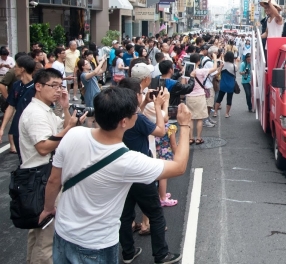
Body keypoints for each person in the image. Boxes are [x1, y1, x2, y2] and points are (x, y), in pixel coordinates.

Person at [38, 87, 189, 264]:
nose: (137, 114)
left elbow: (54, 180)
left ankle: (129, 252)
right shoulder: (128, 161)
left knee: (126, 215)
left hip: (62, 233)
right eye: (135, 112)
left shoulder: (73, 134)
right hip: (96, 245)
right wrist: (184, 125)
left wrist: (48, 209)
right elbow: (179, 167)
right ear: (124, 121)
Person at [19, 69, 83, 264]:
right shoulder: (36, 114)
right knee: (47, 237)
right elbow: (44, 147)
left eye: (60, 85)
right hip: (41, 177)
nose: (58, 90)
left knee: (38, 232)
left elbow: (60, 128)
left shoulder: (44, 109)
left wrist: (65, 108)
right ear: (38, 86)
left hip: (36, 177)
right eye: (53, 86)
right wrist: (70, 127)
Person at [117, 78, 182, 263]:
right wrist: (160, 105)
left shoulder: (116, 113)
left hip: (121, 170)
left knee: (125, 214)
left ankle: (128, 252)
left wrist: (146, 102)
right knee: (155, 214)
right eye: (140, 93)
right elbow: (161, 130)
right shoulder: (137, 119)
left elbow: (139, 109)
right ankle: (161, 255)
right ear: (135, 95)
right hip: (140, 170)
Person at [0, 55, 37, 156]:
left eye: (16, 66)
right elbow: (11, 107)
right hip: (17, 128)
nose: (14, 69)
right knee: (21, 159)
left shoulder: (37, 88)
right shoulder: (16, 85)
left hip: (32, 129)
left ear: (22, 69)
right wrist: (2, 128)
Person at [188, 53, 220, 144]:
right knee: (199, 118)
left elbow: (183, 83)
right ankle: (198, 138)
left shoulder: (186, 71)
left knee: (190, 118)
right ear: (199, 61)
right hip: (199, 96)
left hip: (189, 96)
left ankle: (191, 138)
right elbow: (214, 69)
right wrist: (215, 58)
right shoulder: (200, 71)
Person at [214, 51, 237, 118]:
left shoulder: (222, 64)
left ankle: (215, 112)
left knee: (219, 98)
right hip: (231, 85)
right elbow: (236, 71)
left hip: (223, 84)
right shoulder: (234, 66)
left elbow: (217, 74)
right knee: (229, 99)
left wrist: (221, 67)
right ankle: (227, 113)